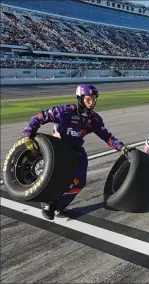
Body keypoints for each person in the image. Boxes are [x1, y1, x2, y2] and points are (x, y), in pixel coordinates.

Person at [23, 84, 131, 220]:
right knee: (62, 179)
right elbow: (39, 117)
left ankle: (58, 206)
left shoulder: (94, 119)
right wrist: (28, 134)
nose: (92, 103)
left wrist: (120, 147)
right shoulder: (64, 111)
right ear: (80, 99)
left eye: (94, 99)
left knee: (80, 182)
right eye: (88, 99)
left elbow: (107, 137)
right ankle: (48, 203)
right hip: (59, 148)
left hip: (76, 151)